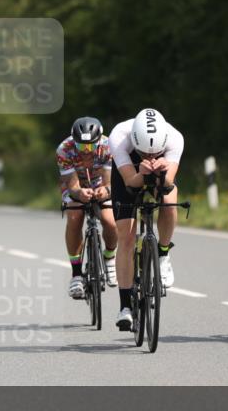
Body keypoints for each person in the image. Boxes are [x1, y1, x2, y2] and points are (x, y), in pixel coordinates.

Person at [107, 108, 185, 331]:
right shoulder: (119, 136)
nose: (150, 158)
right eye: (144, 153)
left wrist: (161, 173)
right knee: (126, 237)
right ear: (135, 142)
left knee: (169, 202)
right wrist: (141, 172)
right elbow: (130, 181)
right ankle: (125, 307)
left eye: (154, 153)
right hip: (129, 173)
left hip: (161, 172)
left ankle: (162, 253)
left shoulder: (174, 138)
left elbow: (168, 183)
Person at [57, 117, 118, 299]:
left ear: (99, 141)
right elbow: (72, 186)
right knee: (74, 217)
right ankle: (76, 274)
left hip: (102, 185)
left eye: (90, 147)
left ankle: (109, 256)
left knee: (110, 221)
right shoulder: (64, 150)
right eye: (81, 146)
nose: (86, 151)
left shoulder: (109, 147)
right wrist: (79, 193)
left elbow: (110, 183)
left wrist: (105, 191)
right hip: (76, 186)